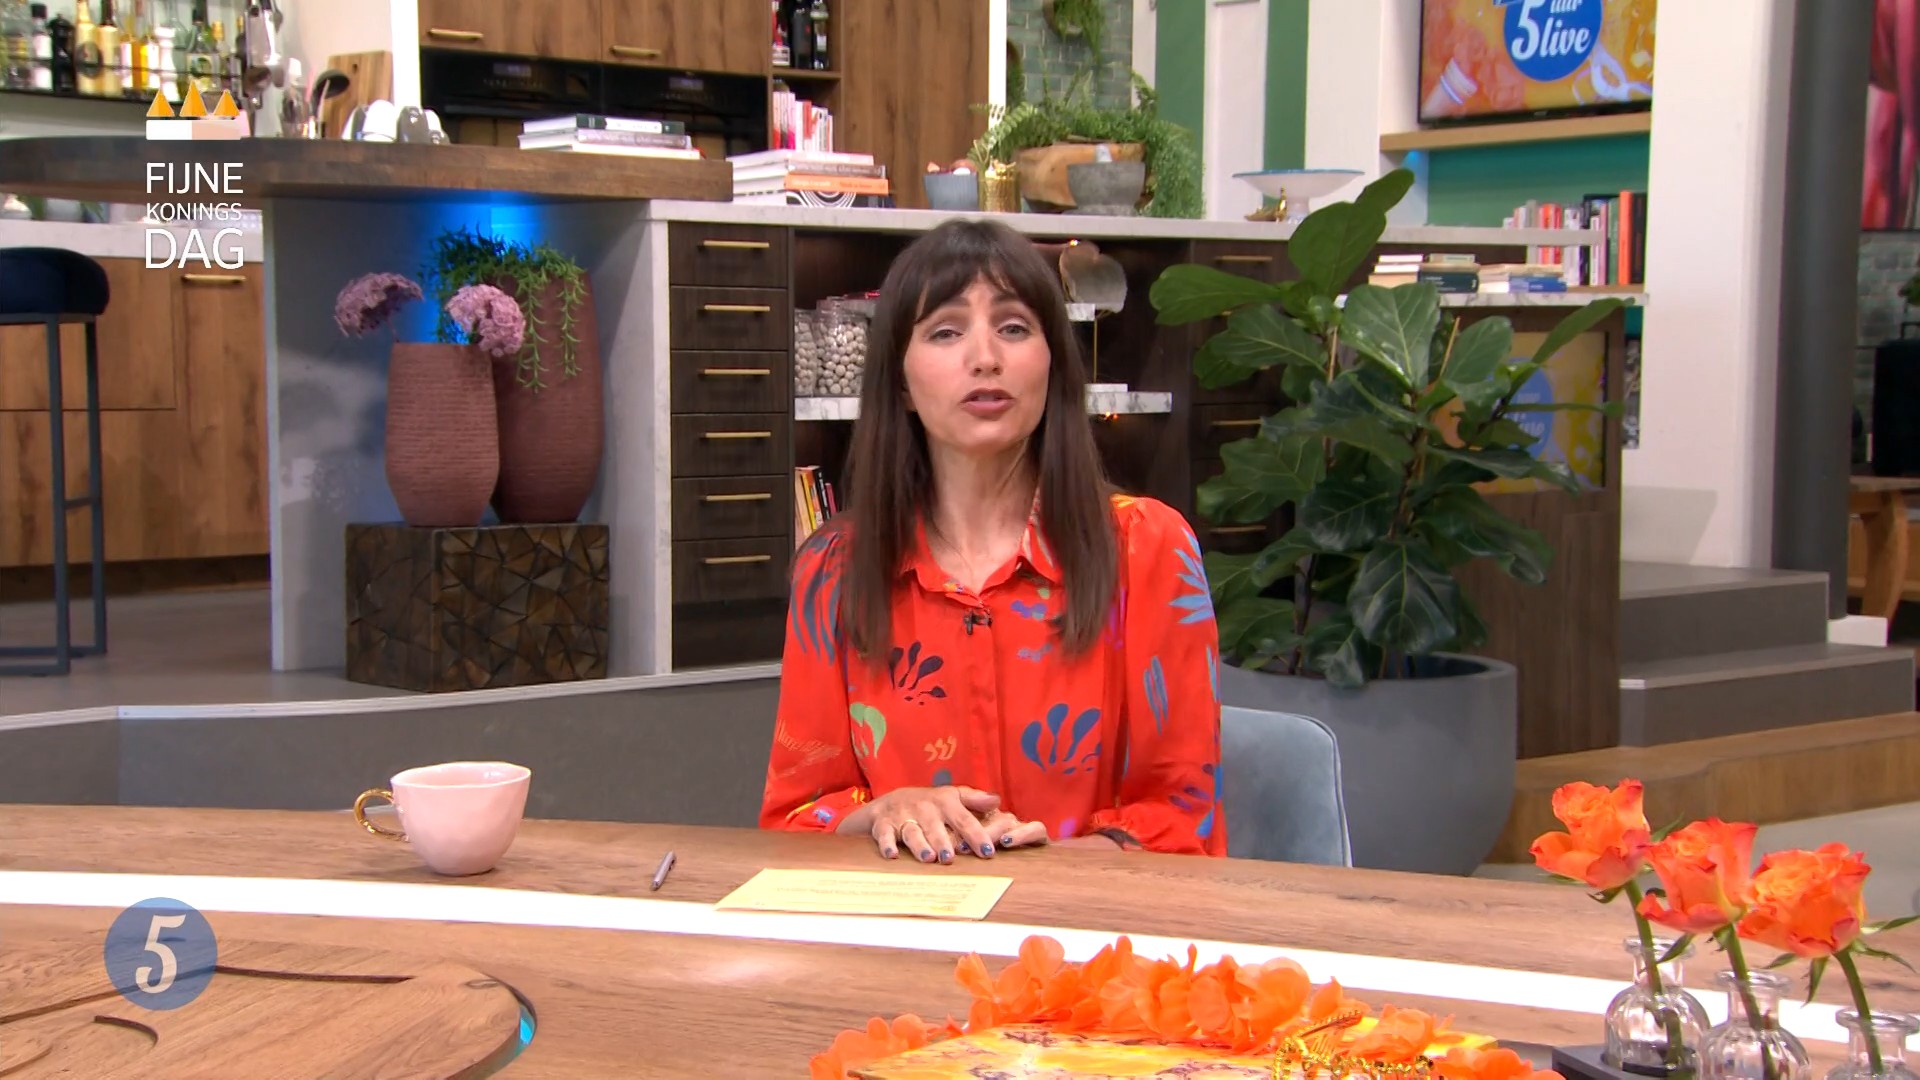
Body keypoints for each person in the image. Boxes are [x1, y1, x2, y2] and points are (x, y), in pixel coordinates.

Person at [758, 218, 1226, 861]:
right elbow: (794, 820)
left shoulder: (1148, 548)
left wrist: (1053, 866)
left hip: (1088, 918)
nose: (985, 357)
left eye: (1013, 327)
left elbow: (1185, 819)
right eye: (945, 332)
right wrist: (882, 812)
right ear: (901, 382)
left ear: (1053, 364)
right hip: (905, 915)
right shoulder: (833, 570)